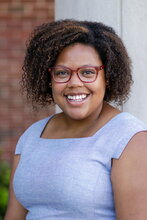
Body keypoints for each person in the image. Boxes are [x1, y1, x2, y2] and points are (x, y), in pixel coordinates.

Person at [4, 19, 147, 220]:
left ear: (107, 77)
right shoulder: (32, 136)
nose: (74, 83)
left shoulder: (128, 138)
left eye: (88, 72)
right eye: (62, 73)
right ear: (49, 79)